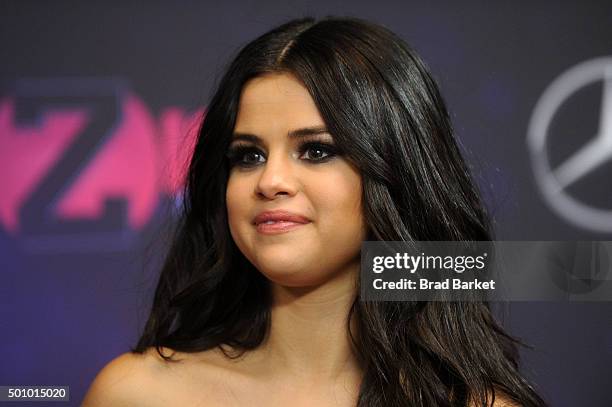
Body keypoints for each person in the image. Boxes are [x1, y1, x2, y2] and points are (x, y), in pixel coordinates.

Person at [83, 16, 547, 406]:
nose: (270, 182)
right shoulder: (137, 393)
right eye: (248, 156)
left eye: (317, 151)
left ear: (395, 171)